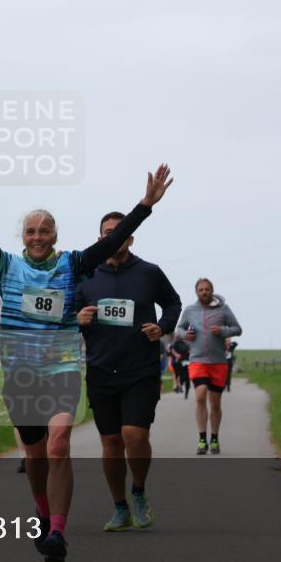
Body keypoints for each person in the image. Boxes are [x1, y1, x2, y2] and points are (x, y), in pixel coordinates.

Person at [0, 151, 173, 562]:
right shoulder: (4, 266)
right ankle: (44, 515)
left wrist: (145, 207)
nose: (38, 235)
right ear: (22, 236)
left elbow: (111, 243)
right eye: (31, 230)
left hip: (62, 369)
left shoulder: (74, 265)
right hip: (20, 374)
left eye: (45, 230)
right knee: (34, 455)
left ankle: (58, 532)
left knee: (59, 443)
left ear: (55, 235)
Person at [75, 211, 181, 532]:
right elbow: (68, 311)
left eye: (119, 233)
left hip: (140, 368)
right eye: (107, 233)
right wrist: (78, 318)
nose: (113, 237)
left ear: (130, 238)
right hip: (101, 368)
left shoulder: (149, 272)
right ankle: (119, 507)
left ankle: (138, 490)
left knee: (134, 435)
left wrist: (162, 327)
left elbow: (173, 303)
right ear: (99, 238)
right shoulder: (86, 275)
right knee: (110, 443)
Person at [176, 278, 243, 455]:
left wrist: (223, 331)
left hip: (218, 362)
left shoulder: (223, 310)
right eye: (200, 290)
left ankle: (214, 439)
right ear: (196, 292)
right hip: (198, 360)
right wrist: (186, 335)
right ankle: (201, 439)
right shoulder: (190, 310)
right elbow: (179, 330)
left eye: (206, 289)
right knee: (200, 395)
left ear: (212, 291)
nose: (204, 292)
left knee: (215, 403)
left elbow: (237, 329)